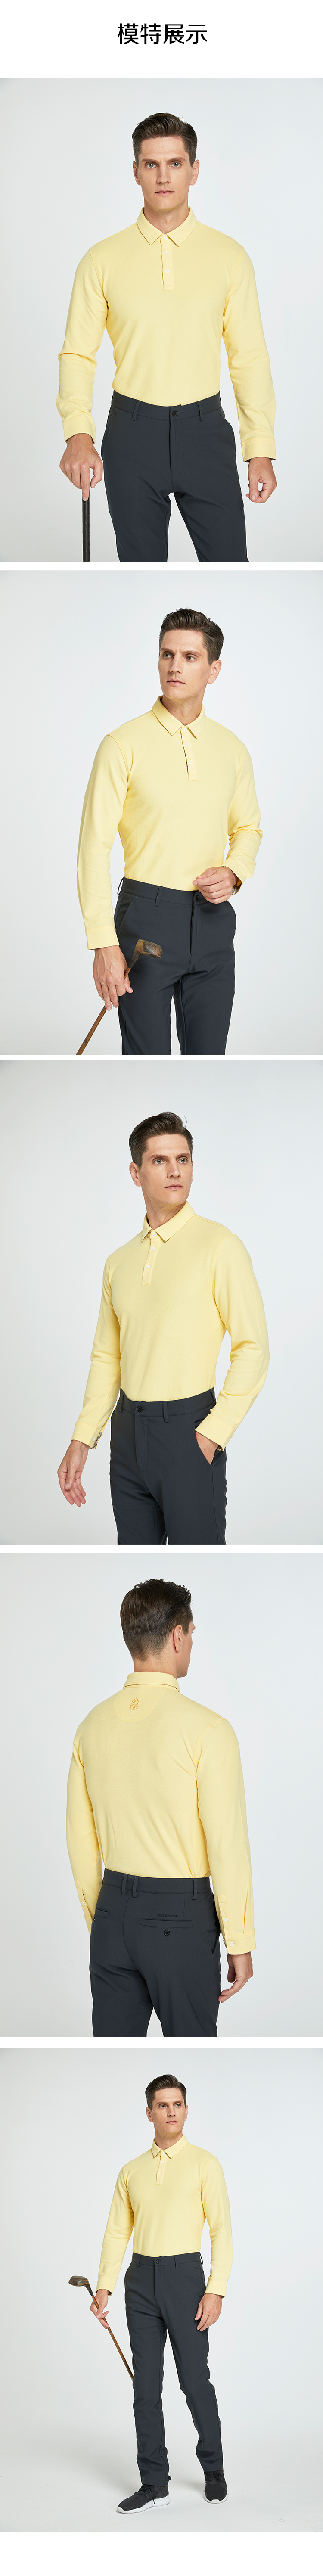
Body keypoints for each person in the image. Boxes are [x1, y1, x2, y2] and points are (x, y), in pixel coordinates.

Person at [58, 109, 276, 564]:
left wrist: (260, 448)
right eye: (151, 164)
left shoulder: (230, 257)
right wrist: (78, 433)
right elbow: (78, 354)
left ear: (194, 171)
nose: (163, 177)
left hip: (206, 432)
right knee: (140, 576)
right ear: (135, 171)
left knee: (231, 570)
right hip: (131, 436)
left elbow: (248, 357)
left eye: (175, 164)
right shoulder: (101, 260)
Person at [57, 1109, 270, 1545]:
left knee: (199, 1558)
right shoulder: (119, 1262)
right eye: (160, 1160)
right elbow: (107, 1357)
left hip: (188, 1431)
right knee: (136, 1558)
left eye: (183, 1159)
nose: (176, 1170)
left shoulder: (220, 1246)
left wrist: (211, 1435)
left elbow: (253, 1347)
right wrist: (83, 1437)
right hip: (127, 1435)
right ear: (136, 1173)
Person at [66, 1576, 255, 2036]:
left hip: (111, 1914)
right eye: (192, 1632)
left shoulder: (90, 1726)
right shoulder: (209, 1730)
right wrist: (240, 1939)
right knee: (192, 2045)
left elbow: (80, 1840)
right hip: (179, 1918)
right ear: (177, 1635)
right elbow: (226, 1844)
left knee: (114, 2050)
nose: (192, 1641)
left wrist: (104, 1919)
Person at [78, 606, 262, 1057]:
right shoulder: (122, 744)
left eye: (190, 657)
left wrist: (234, 871)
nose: (175, 666)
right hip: (146, 922)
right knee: (146, 1063)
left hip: (214, 922)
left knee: (209, 1060)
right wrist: (103, 942)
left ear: (214, 670)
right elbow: (93, 848)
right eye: (167, 654)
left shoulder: (232, 749)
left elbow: (247, 827)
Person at [91, 2070, 233, 2512]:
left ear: (186, 2110)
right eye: (163, 2105)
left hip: (186, 2278)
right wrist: (105, 2285)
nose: (171, 2111)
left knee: (194, 2381)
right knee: (145, 2388)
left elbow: (221, 2230)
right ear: (150, 2113)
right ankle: (154, 2482)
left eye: (178, 2104)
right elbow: (118, 2231)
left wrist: (216, 2289)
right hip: (140, 2282)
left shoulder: (205, 2163)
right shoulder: (131, 2170)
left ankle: (214, 2469)